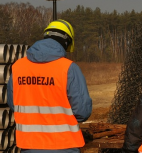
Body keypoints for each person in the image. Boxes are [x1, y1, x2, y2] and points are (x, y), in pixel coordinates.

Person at [7, 19, 92, 153]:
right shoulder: (69, 68)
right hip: (64, 146)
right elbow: (82, 111)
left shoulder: (18, 67)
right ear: (67, 42)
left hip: (29, 145)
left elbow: (14, 104)